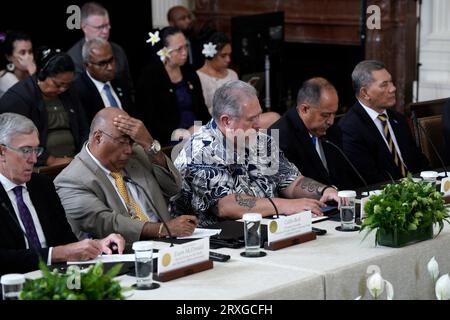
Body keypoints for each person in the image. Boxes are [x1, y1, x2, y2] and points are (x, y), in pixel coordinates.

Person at [171, 80, 339, 227]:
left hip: (268, 229)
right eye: (251, 119)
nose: (259, 124)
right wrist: (286, 206)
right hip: (217, 243)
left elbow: (291, 181)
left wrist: (324, 191)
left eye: (259, 115)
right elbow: (227, 206)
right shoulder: (201, 149)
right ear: (226, 120)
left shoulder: (260, 140)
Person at [0, 113, 125, 276]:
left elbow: (67, 242)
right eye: (25, 151)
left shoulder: (42, 185)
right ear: (2, 152)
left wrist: (96, 246)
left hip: (59, 279)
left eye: (36, 150)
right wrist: (57, 253)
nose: (33, 159)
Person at [54, 108, 197, 245]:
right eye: (122, 141)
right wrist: (162, 229)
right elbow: (107, 223)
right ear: (98, 137)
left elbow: (174, 187)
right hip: (124, 255)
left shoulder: (137, 155)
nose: (129, 150)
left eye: (132, 142)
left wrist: (149, 144)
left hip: (169, 244)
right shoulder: (71, 179)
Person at [338, 60, 429, 185]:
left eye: (391, 81)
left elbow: (419, 161)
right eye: (384, 85)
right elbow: (369, 178)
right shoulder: (349, 128)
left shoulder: (398, 119)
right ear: (365, 93)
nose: (393, 88)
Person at [0, 48, 89, 167]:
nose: (63, 89)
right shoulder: (18, 98)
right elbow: (14, 141)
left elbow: (84, 128)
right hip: (37, 165)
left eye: (67, 85)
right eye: (58, 84)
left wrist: (83, 156)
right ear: (42, 74)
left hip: (75, 160)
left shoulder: (69, 92)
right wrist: (50, 160)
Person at [270, 77, 359, 189]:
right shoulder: (275, 137)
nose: (331, 121)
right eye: (325, 115)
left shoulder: (333, 131)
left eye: (334, 114)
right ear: (305, 109)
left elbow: (343, 178)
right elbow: (280, 189)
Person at [136, 27, 210, 146]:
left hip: (197, 132)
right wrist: (183, 134)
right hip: (168, 140)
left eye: (185, 46)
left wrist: (201, 128)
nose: (185, 52)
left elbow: (202, 110)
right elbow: (150, 121)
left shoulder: (190, 73)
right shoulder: (150, 77)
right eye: (179, 49)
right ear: (164, 50)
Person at [197, 31, 280, 128]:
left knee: (274, 117)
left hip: (240, 117)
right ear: (210, 55)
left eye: (229, 55)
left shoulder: (232, 74)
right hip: (219, 122)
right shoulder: (198, 76)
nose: (228, 60)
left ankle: (262, 142)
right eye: (223, 56)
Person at [67, 2, 133, 91]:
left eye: (107, 25)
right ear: (83, 27)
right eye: (100, 27)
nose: (105, 31)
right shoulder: (73, 58)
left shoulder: (118, 50)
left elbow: (129, 87)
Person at [72, 37, 135, 123]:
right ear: (87, 65)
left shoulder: (121, 82)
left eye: (111, 60)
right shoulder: (78, 90)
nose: (110, 67)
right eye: (102, 63)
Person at [167, 5, 210, 70]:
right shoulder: (167, 44)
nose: (188, 21)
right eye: (183, 18)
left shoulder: (197, 39)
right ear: (171, 23)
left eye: (189, 17)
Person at [0, 31, 36, 98]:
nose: (28, 57)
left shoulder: (28, 75)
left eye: (30, 52)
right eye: (22, 53)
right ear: (9, 57)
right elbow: (31, 99)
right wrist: (32, 70)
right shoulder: (6, 78)